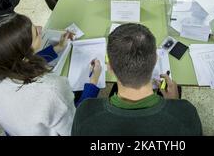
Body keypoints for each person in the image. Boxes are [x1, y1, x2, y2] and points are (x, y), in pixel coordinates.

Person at [0, 13, 102, 136]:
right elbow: (75, 129)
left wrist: (57, 48)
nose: (40, 28)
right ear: (25, 51)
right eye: (36, 33)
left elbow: (19, 63)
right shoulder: (52, 89)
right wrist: (93, 83)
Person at [71, 23, 203, 136]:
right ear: (155, 60)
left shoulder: (85, 113)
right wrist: (175, 104)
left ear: (110, 66)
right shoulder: (186, 113)